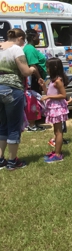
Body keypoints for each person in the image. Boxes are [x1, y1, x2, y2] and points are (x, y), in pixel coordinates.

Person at [0, 28, 39, 170]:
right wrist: (33, 70)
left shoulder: (1, 46)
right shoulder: (16, 49)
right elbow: (25, 71)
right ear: (21, 38)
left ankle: (0, 160)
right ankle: (12, 161)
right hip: (12, 89)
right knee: (14, 126)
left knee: (2, 125)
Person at [39, 58, 69, 163]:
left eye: (48, 67)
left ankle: (58, 154)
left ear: (54, 68)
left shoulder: (58, 81)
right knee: (55, 131)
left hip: (58, 108)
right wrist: (43, 86)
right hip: (54, 108)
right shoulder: (52, 81)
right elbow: (49, 93)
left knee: (59, 131)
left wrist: (48, 97)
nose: (47, 69)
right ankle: (56, 151)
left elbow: (63, 95)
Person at [23, 28, 47, 131]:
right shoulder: (29, 49)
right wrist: (39, 78)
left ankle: (33, 123)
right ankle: (31, 125)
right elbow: (33, 65)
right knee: (33, 101)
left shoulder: (31, 48)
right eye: (37, 36)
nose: (39, 39)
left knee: (35, 101)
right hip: (33, 79)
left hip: (34, 79)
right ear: (33, 37)